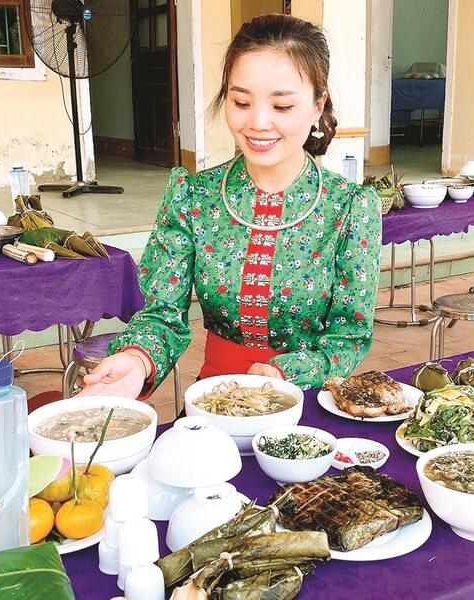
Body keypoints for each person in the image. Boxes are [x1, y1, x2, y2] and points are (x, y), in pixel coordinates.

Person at [79, 14, 381, 400]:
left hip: (307, 406)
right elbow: (161, 314)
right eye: (241, 101)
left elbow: (349, 336)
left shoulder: (350, 208)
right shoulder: (193, 195)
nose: (257, 123)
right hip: (216, 400)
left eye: (282, 106)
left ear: (318, 105)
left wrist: (282, 370)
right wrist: (137, 359)